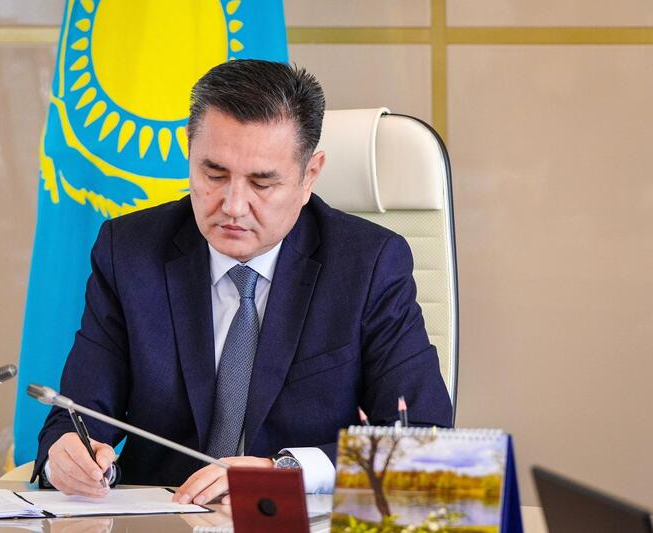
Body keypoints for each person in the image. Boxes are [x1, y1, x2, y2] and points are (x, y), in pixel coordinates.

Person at [31, 59, 452, 504]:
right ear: (189, 155)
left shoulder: (368, 265)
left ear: (309, 176)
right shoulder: (130, 252)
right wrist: (67, 458)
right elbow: (76, 416)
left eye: (261, 183)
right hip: (161, 515)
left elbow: (427, 446)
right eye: (214, 175)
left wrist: (283, 472)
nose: (233, 205)